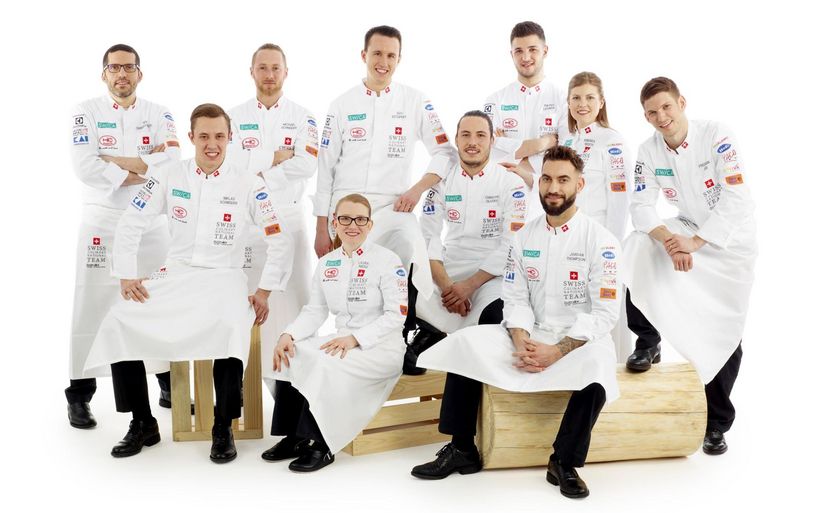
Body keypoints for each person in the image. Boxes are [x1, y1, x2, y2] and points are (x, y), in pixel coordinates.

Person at [412, 146, 621, 500]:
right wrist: (521, 338)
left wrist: (557, 351)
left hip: (577, 341)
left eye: (563, 180)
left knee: (598, 369)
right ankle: (462, 448)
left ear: (580, 185)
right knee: (467, 343)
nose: (553, 188)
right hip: (531, 335)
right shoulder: (524, 238)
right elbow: (515, 299)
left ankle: (564, 462)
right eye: (547, 179)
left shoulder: (602, 242)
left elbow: (604, 313)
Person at [83, 104, 286, 463]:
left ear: (230, 138)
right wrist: (127, 275)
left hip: (224, 275)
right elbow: (132, 221)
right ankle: (142, 422)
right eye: (204, 136)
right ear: (191, 137)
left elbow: (279, 239)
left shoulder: (249, 183)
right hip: (175, 271)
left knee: (231, 326)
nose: (212, 144)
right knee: (118, 318)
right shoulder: (168, 175)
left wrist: (265, 290)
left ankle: (223, 426)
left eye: (219, 136)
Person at [623, 77, 756, 455]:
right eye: (652, 112)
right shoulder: (648, 150)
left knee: (724, 331)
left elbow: (736, 198)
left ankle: (717, 424)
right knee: (635, 247)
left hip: (730, 243)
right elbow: (641, 207)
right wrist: (671, 241)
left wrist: (696, 243)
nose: (661, 117)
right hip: (685, 228)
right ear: (646, 117)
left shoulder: (717, 135)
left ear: (681, 103)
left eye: (666, 107)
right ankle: (648, 342)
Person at [66, 43, 179, 429]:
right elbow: (84, 166)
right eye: (114, 68)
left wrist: (113, 160)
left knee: (158, 302)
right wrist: (144, 167)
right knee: (92, 304)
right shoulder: (85, 112)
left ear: (139, 73)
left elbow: (172, 162)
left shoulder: (159, 113)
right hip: (103, 223)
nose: (122, 74)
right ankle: (79, 395)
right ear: (104, 74)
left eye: (128, 67)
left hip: (150, 224)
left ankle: (167, 382)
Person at [263, 194, 408, 472]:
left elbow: (396, 315)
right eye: (345, 219)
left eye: (360, 219)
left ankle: (322, 445)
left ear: (370, 224)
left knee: (325, 365)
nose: (353, 225)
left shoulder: (388, 261)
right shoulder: (328, 263)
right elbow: (315, 310)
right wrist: (289, 335)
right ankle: (294, 436)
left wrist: (355, 339)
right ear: (335, 223)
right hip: (342, 340)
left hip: (380, 348)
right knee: (292, 353)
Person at [314, 25, 456, 302]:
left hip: (393, 205)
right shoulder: (341, 104)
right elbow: (325, 168)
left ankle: (407, 321)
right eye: (377, 53)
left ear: (399, 59)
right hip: (345, 208)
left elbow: (445, 153)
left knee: (411, 245)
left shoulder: (416, 101)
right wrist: (321, 229)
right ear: (364, 55)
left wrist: (417, 190)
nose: (384, 62)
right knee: (354, 286)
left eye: (391, 56)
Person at [404, 110, 528, 374]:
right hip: (449, 268)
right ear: (457, 140)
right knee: (406, 277)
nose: (473, 142)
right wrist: (448, 287)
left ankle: (465, 345)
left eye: (481, 135)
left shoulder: (512, 184)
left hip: (490, 275)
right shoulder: (441, 184)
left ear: (492, 140)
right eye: (466, 135)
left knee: (494, 318)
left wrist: (469, 286)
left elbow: (511, 245)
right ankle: (429, 333)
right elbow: (428, 238)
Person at [228, 43, 317, 396]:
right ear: (251, 72)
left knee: (295, 304)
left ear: (286, 72)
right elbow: (231, 163)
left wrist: (260, 171)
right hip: (249, 224)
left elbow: (306, 164)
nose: (269, 75)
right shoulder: (233, 117)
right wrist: (278, 155)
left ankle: (293, 391)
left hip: (290, 218)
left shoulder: (303, 117)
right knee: (250, 305)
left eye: (275, 68)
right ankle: (244, 389)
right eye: (262, 68)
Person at [558, 71, 632, 360]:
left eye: (590, 97)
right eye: (576, 98)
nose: (582, 104)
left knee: (604, 312)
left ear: (601, 102)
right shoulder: (568, 141)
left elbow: (620, 198)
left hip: (600, 240)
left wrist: (611, 246)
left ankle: (615, 372)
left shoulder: (611, 142)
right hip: (569, 241)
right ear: (568, 102)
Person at [484, 21, 567, 218]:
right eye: (519, 51)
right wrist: (543, 143)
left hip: (549, 201)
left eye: (532, 49)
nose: (526, 57)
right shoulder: (495, 101)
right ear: (511, 54)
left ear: (545, 51)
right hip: (502, 199)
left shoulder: (563, 99)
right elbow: (487, 151)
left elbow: (566, 153)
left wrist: (511, 152)